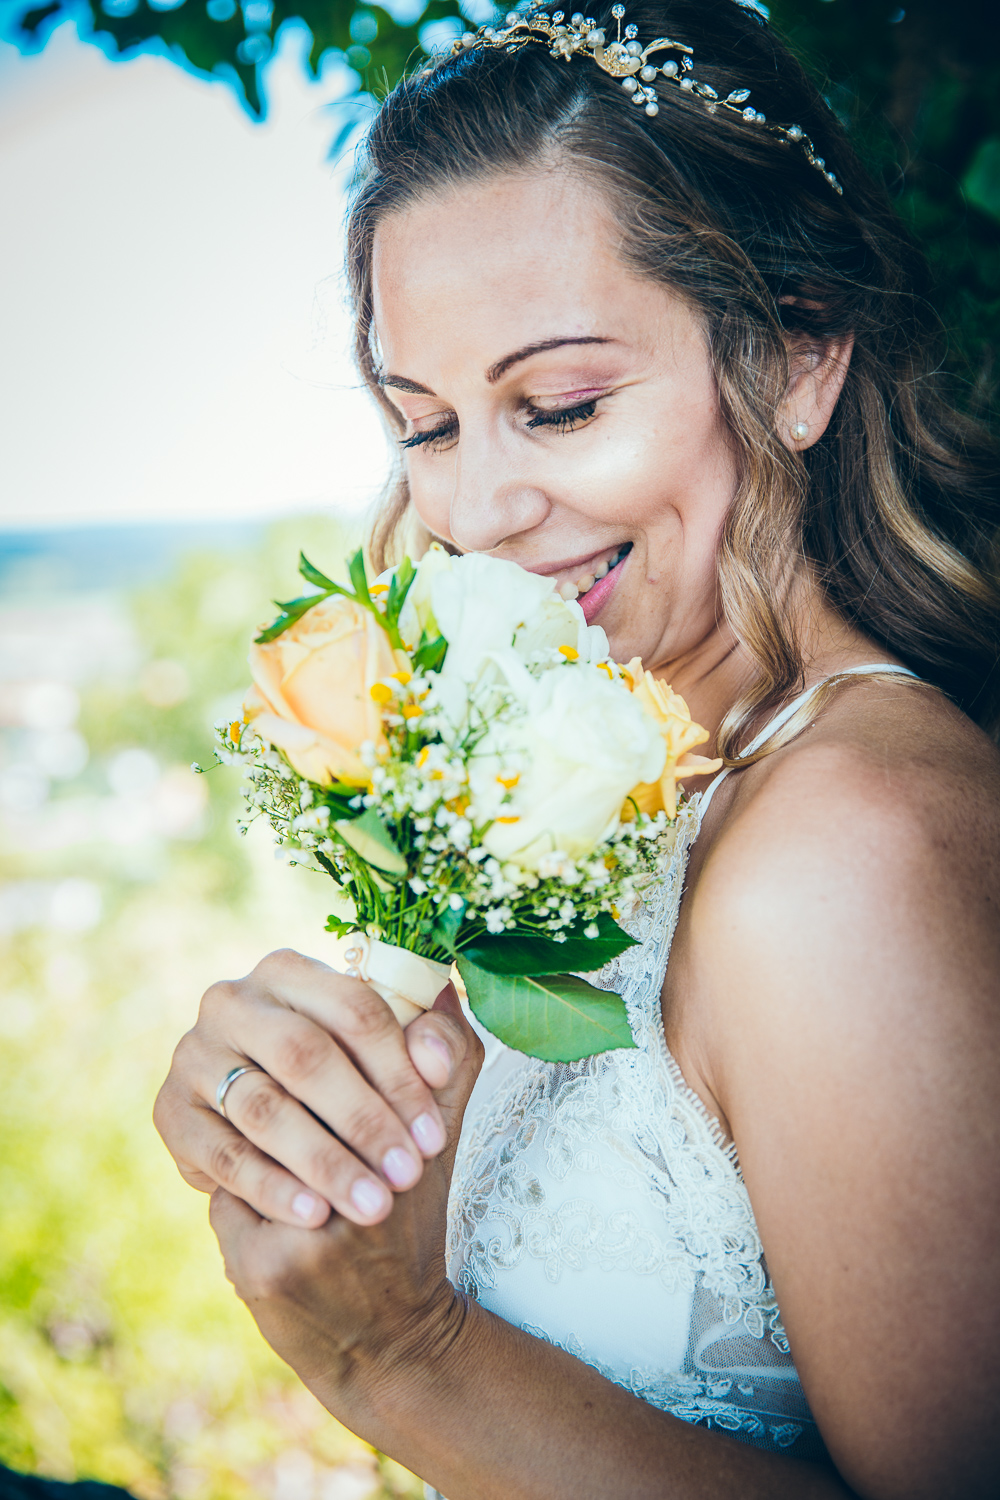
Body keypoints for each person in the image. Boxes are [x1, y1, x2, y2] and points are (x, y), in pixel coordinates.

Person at [153, 3, 1000, 1496]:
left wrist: (394, 1351)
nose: (473, 515)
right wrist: (300, 1117)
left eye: (560, 406)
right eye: (425, 426)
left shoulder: (842, 852)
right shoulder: (632, 773)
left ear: (799, 358)